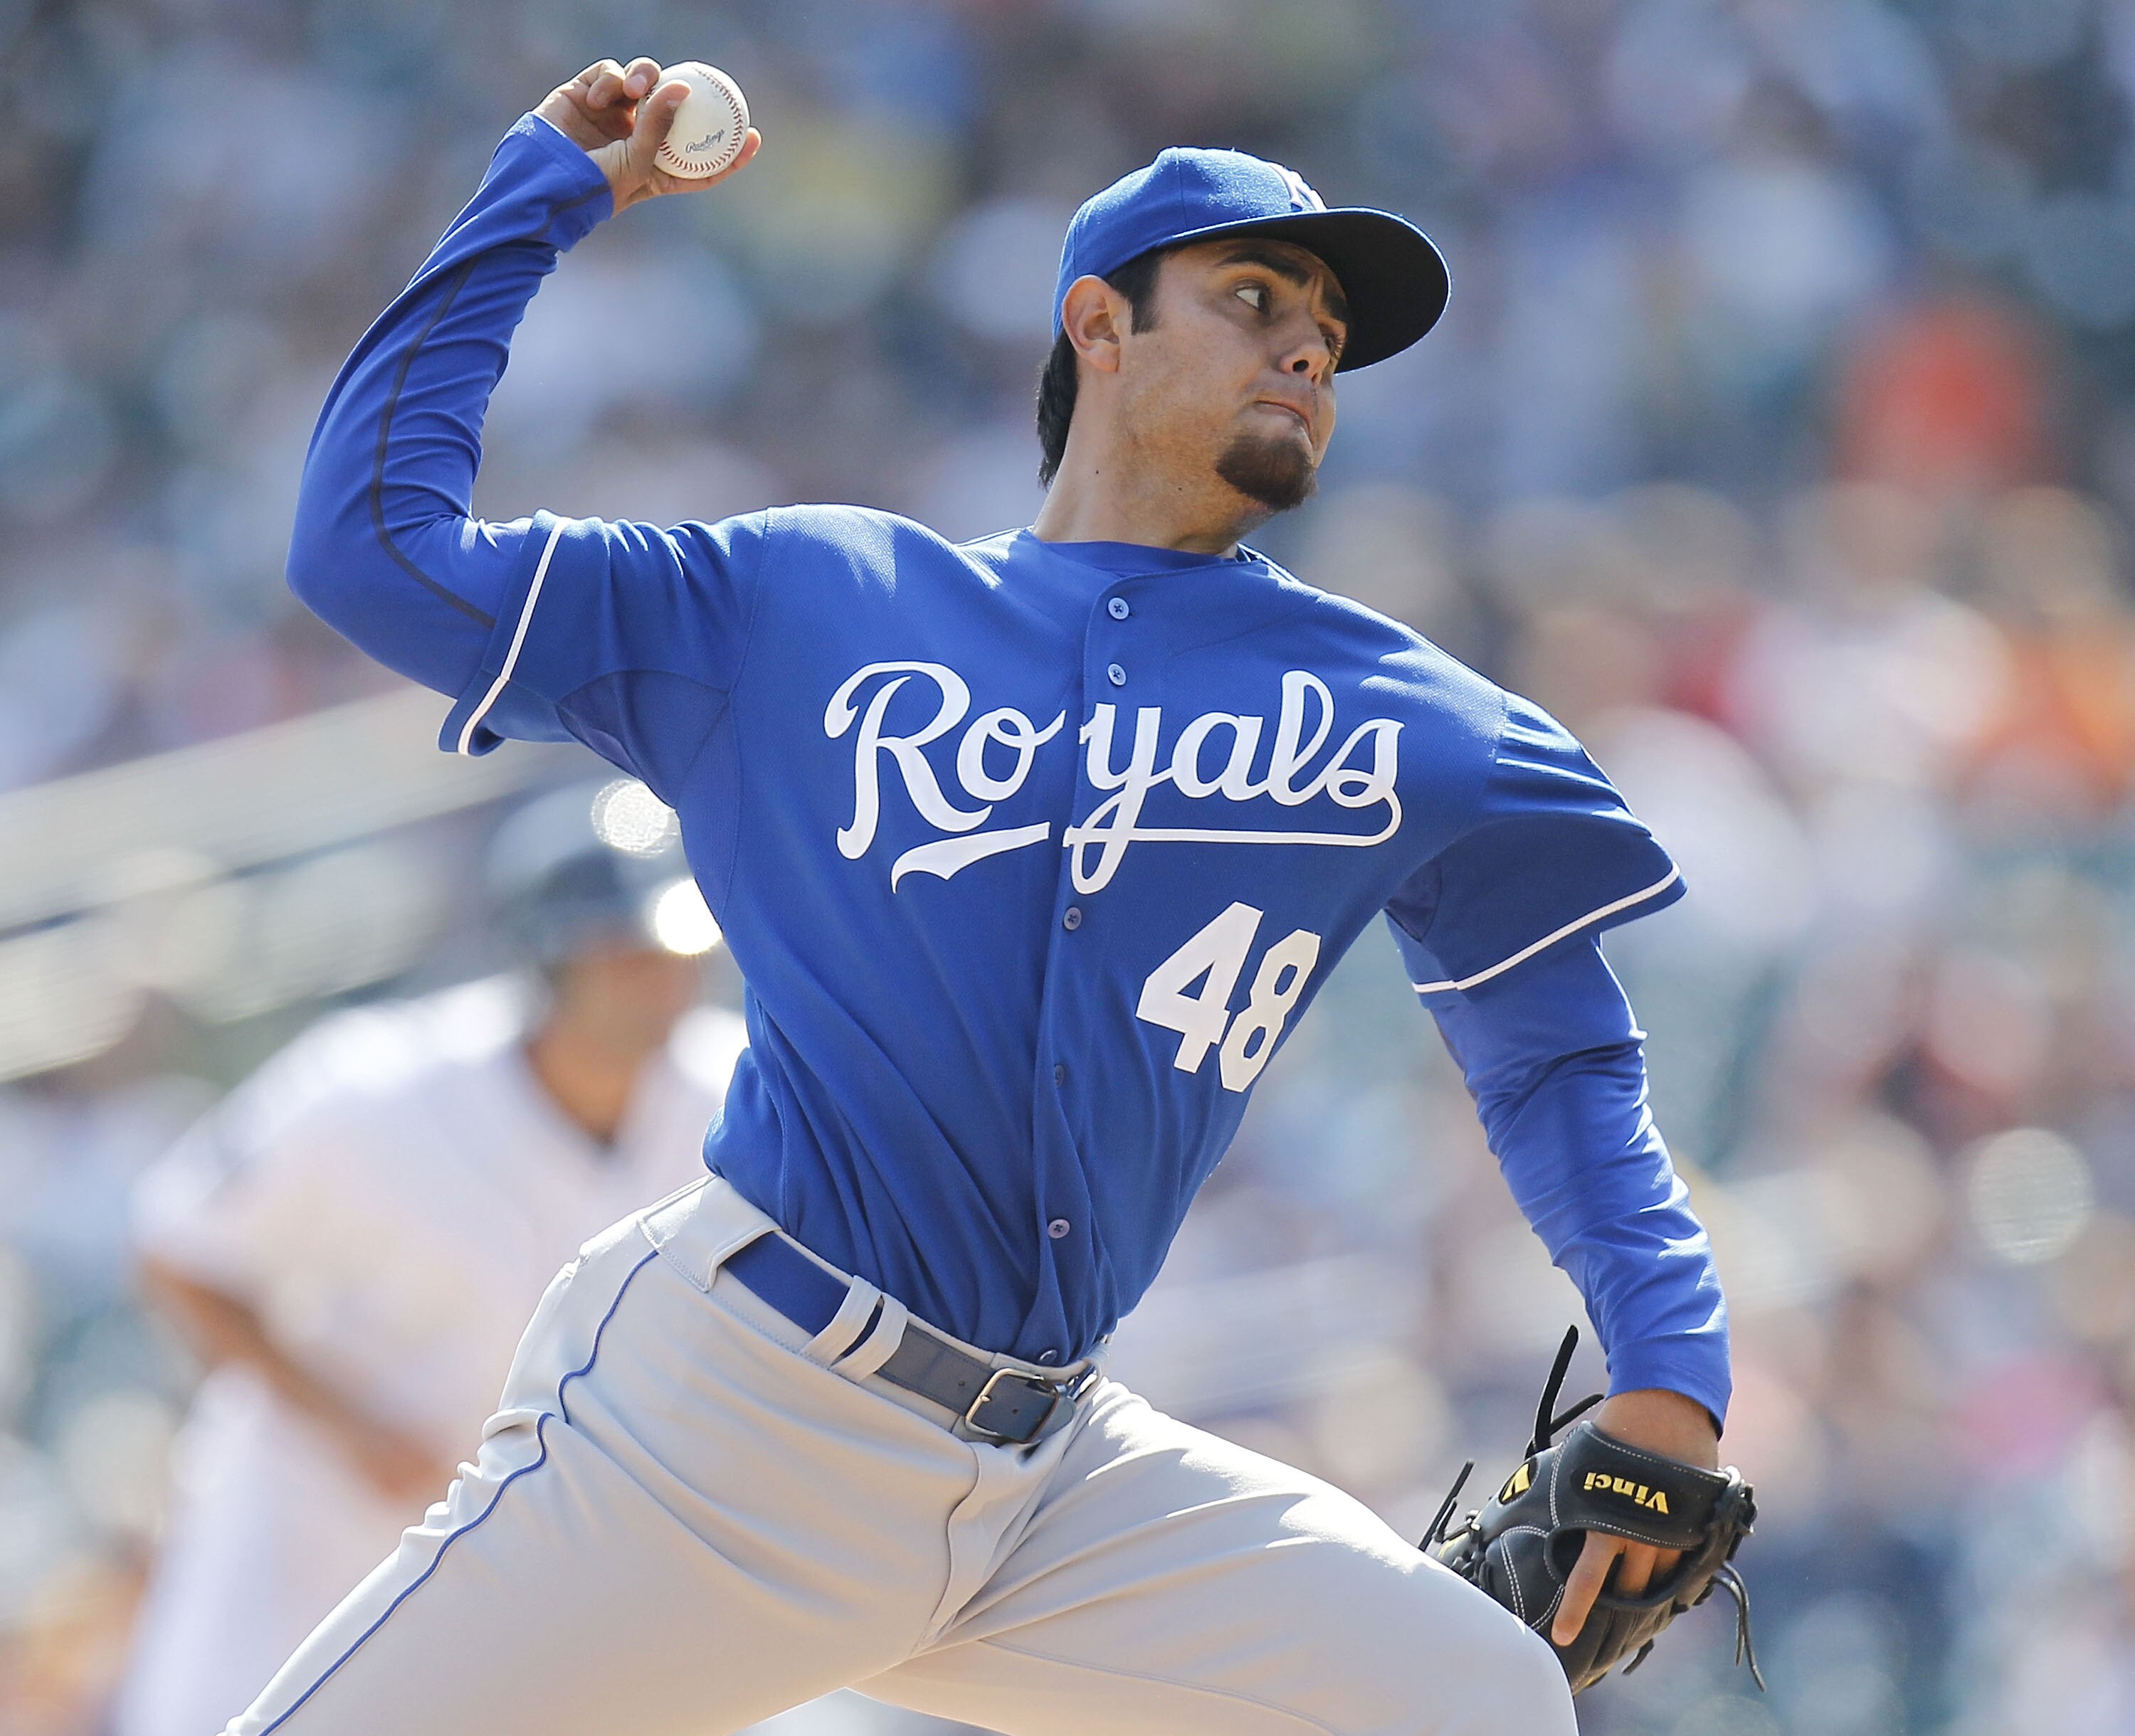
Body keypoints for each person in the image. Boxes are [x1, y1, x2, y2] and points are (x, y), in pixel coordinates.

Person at [238, 57, 1730, 1736]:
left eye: (1328, 324)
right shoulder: (808, 600)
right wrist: (541, 194)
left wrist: (1672, 1375)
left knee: (1474, 1693)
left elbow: (1556, 1059)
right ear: (1098, 324)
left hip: (1056, 1482)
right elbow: (370, 548)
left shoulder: (1404, 719)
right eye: (1253, 297)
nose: (1310, 344)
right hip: (729, 1426)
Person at [118, 780, 744, 1736]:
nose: (659, 975)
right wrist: (352, 1428)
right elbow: (179, 1250)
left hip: (544, 1550)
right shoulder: (372, 1087)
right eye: (624, 952)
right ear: (546, 960)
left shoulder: (733, 1095)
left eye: (672, 948)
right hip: (313, 1530)